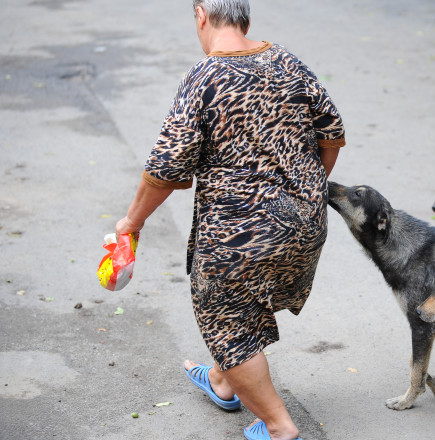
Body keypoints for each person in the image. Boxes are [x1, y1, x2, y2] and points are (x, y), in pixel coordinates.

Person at [115, 1, 345, 439]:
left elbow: (165, 169)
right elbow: (330, 136)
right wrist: (303, 192)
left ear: (201, 15)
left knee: (225, 318)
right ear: (246, 18)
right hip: (306, 223)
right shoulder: (288, 62)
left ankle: (279, 426)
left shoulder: (202, 78)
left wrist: (131, 223)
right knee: (242, 305)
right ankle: (224, 383)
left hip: (237, 235)